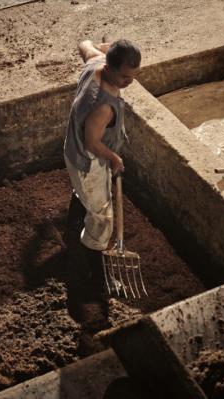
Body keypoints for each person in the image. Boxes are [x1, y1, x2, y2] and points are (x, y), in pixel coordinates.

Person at [63, 39, 141, 355]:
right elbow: (93, 142)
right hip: (87, 160)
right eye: (125, 78)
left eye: (134, 75)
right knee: (103, 215)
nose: (129, 82)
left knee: (88, 194)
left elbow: (83, 44)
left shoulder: (95, 63)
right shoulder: (103, 104)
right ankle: (97, 265)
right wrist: (114, 158)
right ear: (109, 68)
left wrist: (102, 45)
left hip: (73, 150)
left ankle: (79, 201)